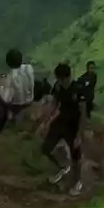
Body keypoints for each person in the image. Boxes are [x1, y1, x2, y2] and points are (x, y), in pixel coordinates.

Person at [40, 63, 87, 197]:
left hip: (74, 124)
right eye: (58, 80)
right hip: (61, 121)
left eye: (62, 80)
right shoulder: (57, 87)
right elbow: (55, 104)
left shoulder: (78, 90)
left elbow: (83, 113)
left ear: (67, 78)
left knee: (76, 155)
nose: (60, 82)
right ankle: (63, 166)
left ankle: (78, 182)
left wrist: (79, 135)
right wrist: (46, 122)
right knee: (46, 148)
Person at [0, 49, 35, 123]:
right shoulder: (29, 68)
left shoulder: (10, 77)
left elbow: (6, 99)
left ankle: (10, 115)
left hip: (18, 105)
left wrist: (1, 87)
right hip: (30, 100)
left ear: (8, 63)